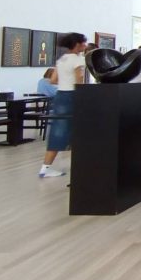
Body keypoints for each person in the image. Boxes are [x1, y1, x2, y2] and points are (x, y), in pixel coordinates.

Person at [40, 32, 87, 177]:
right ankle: (83, 166)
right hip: (73, 96)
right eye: (84, 43)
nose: (85, 45)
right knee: (80, 130)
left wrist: (66, 81)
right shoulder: (78, 59)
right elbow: (79, 80)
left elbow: (53, 80)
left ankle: (45, 168)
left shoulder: (62, 59)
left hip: (61, 96)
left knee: (58, 131)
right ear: (78, 44)